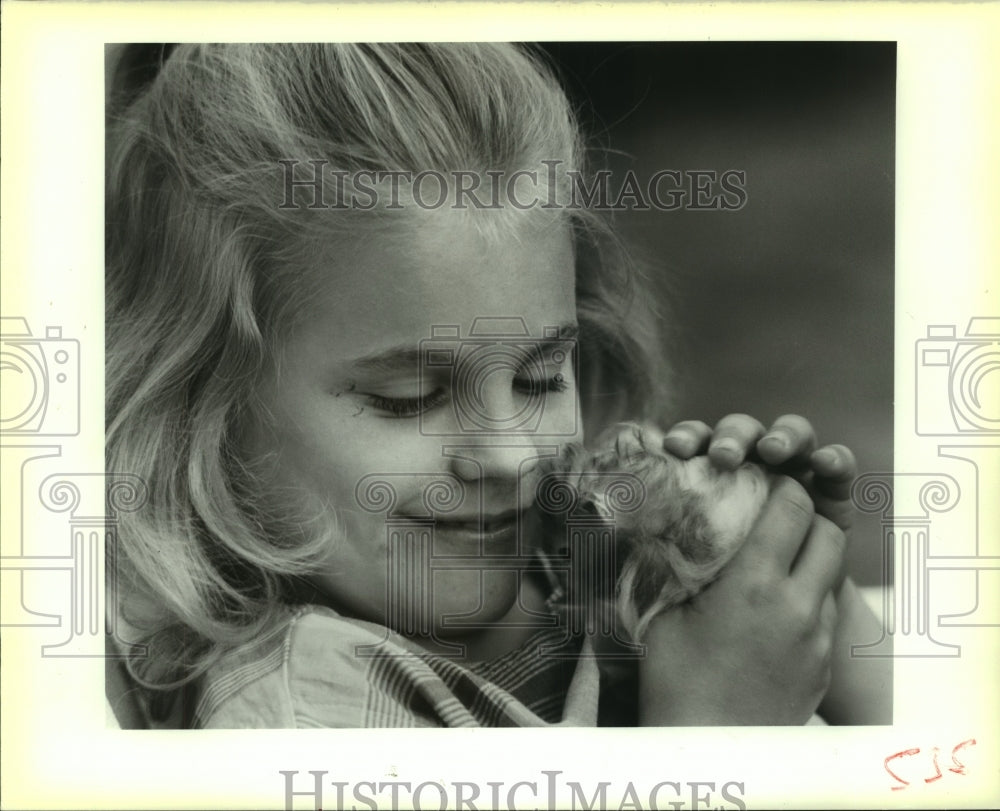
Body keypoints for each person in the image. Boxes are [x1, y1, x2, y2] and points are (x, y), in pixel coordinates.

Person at [105, 43, 889, 728]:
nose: (514, 457)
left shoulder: (574, 560)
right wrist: (716, 730)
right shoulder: (301, 715)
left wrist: (809, 602)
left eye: (541, 377)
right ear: (203, 415)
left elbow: (943, 758)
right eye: (410, 397)